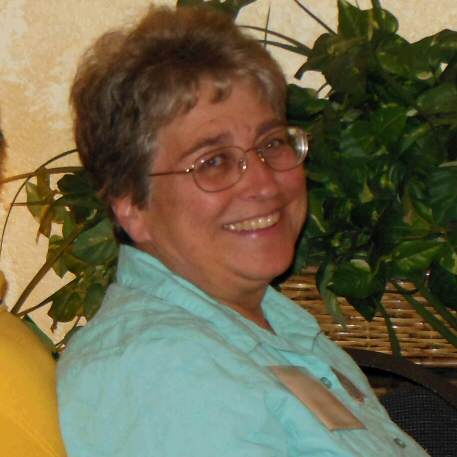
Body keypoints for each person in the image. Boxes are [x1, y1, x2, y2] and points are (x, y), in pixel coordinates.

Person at [57, 6, 429, 457]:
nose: (265, 183)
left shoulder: (269, 327)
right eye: (213, 162)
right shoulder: (161, 371)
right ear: (131, 204)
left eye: (272, 143)